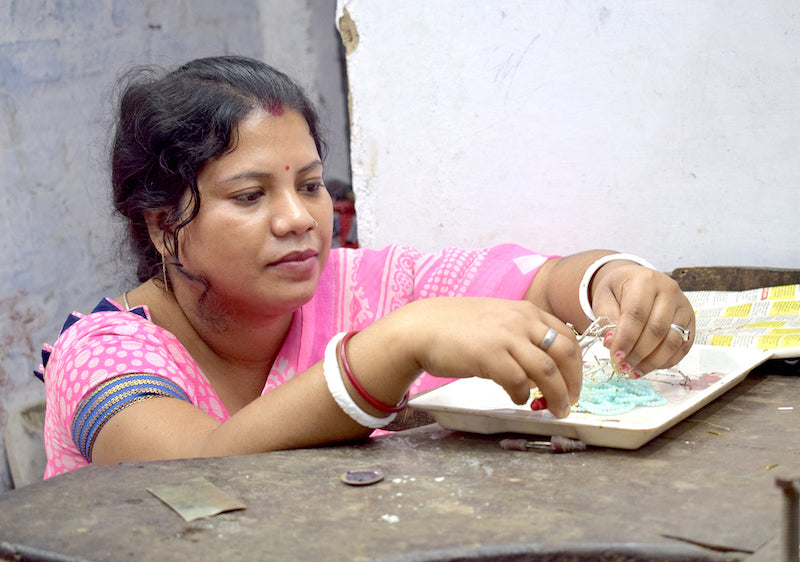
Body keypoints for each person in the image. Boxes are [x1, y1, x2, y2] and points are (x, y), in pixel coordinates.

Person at [38, 56, 695, 479]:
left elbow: (542, 282)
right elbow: (194, 471)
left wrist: (614, 282)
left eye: (311, 185)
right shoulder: (102, 355)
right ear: (162, 226)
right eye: (250, 195)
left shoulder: (359, 285)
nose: (298, 218)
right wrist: (394, 345)